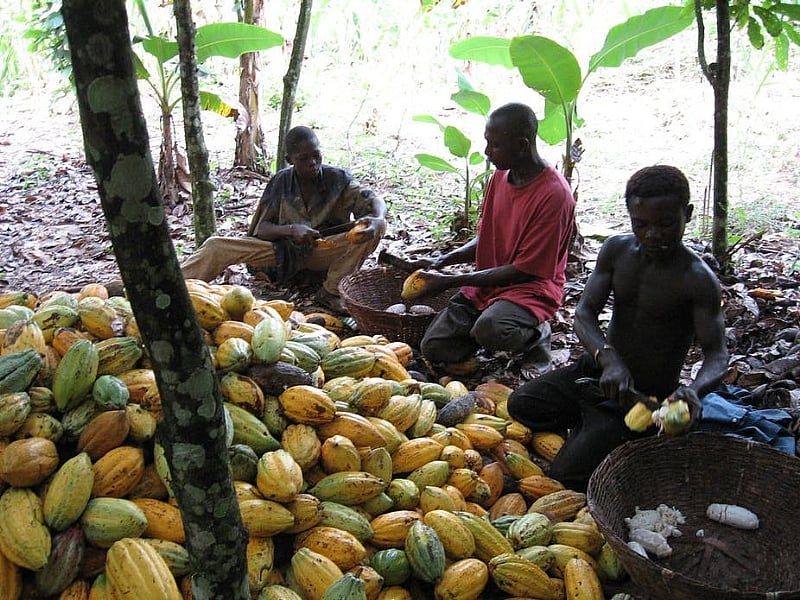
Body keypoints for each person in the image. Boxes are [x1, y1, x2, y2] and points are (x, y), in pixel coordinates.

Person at [507, 164, 730, 492]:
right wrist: (608, 359)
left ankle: (606, 433)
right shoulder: (617, 251)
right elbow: (584, 314)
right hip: (599, 373)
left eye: (666, 224)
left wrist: (693, 391)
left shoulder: (696, 280)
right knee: (521, 405)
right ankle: (590, 425)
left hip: (643, 398)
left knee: (566, 477)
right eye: (641, 224)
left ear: (688, 214)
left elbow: (717, 354)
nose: (652, 234)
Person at [404, 102, 576, 378]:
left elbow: (525, 271)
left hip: (530, 289)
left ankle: (536, 337)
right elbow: (486, 237)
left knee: (492, 329)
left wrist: (450, 281)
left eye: (494, 145)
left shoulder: (553, 195)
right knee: (433, 346)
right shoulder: (500, 176)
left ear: (522, 146)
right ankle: (482, 332)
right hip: (489, 287)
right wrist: (442, 260)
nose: (486, 152)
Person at [180, 126, 387, 313]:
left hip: (324, 250)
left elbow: (373, 199)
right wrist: (291, 230)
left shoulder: (338, 179)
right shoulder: (281, 181)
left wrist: (377, 218)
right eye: (303, 158)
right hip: (281, 252)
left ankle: (330, 292)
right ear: (290, 160)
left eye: (316, 155)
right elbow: (262, 229)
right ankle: (173, 286)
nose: (312, 163)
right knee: (216, 245)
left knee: (377, 227)